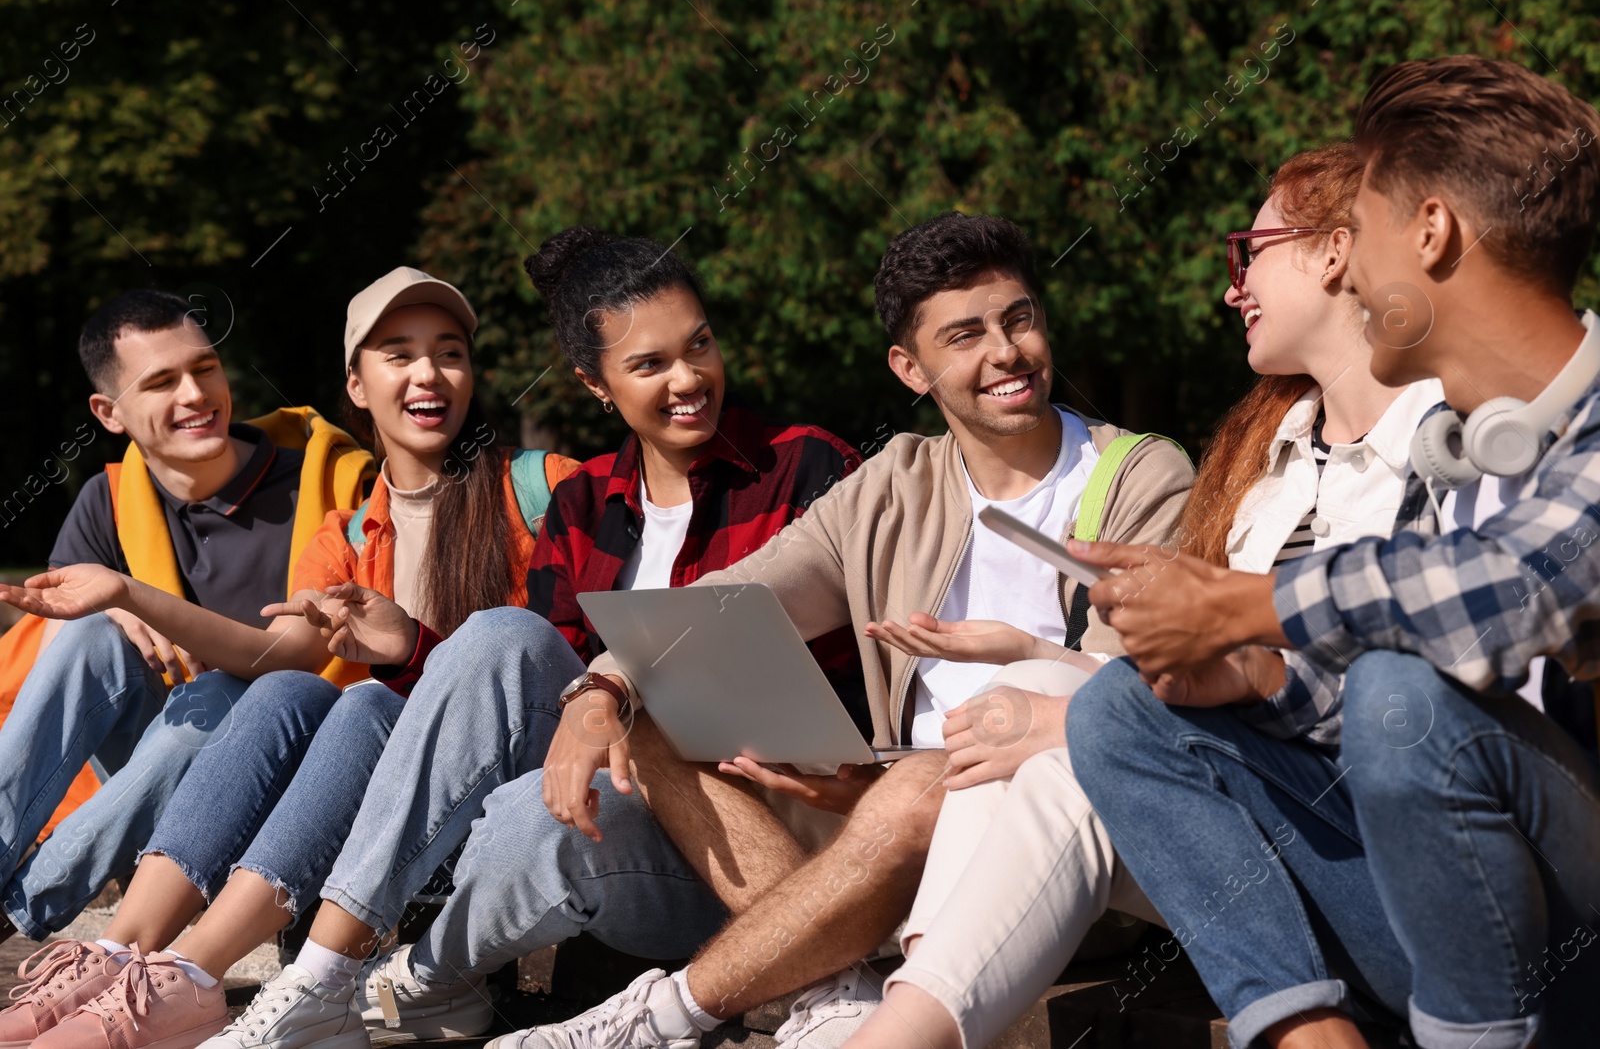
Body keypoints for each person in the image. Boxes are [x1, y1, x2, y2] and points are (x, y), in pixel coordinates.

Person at [365, 211, 1191, 1049]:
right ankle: (830, 986)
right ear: (911, 368)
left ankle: (663, 1014)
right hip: (877, 826)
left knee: (918, 786)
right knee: (657, 722)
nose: (1005, 352)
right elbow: (729, 598)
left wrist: (900, 784)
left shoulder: (1139, 473)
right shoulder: (896, 481)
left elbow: (1129, 694)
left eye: (1018, 319)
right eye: (966, 334)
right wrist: (600, 687)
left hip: (1054, 839)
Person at [81, 225, 861, 1049]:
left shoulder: (801, 465)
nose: (688, 378)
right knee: (469, 750)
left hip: (770, 832)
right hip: (608, 830)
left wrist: (607, 691)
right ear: (594, 383)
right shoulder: (586, 504)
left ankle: (300, 974)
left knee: (470, 723)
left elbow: (844, 665)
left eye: (698, 345)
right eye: (649, 364)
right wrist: (417, 645)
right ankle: (288, 973)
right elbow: (520, 688)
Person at [839, 143, 1445, 1049]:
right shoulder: (1271, 461)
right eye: (964, 334)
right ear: (910, 369)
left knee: (1062, 748)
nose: (1232, 287)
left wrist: (1073, 696)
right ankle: (901, 1029)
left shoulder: (1449, 445)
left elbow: (1407, 705)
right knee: (1019, 762)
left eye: (1253, 250)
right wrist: (1032, 656)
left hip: (1407, 881)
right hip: (1282, 846)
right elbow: (1220, 689)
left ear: (1331, 253)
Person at [1069, 56, 1600, 1049]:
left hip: (1577, 942)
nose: (1344, 270)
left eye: (1353, 235)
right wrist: (1256, 674)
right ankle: (1310, 1036)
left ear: (1431, 232)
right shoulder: (1456, 448)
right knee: (1121, 707)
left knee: (1400, 694)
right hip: (1460, 926)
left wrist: (1242, 603)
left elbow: (1509, 593)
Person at [0, 266, 575, 1048]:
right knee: (287, 696)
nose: (428, 373)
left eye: (449, 353)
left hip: (500, 799)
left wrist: (409, 643)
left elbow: (558, 663)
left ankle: (192, 970)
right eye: (398, 354)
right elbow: (274, 658)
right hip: (372, 816)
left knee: (367, 701)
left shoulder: (542, 490)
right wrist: (125, 594)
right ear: (358, 385)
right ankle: (120, 953)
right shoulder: (344, 535)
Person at [0, 289, 371, 949]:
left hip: (292, 782)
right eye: (162, 381)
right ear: (108, 413)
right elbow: (66, 680)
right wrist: (113, 614)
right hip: (146, 798)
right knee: (92, 632)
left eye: (204, 368)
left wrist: (134, 596)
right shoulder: (108, 501)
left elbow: (293, 661)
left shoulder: (331, 484)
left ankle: (20, 905)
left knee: (228, 692)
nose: (196, 394)